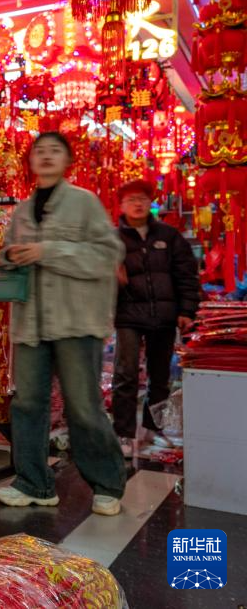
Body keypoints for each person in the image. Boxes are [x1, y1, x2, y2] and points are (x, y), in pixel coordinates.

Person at [0, 132, 128, 517]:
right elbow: (6, 254)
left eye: (55, 151)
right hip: (31, 322)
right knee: (27, 403)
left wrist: (48, 251)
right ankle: (33, 482)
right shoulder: (22, 210)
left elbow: (108, 254)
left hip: (76, 321)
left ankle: (107, 483)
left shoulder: (84, 203)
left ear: (68, 160)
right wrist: (11, 255)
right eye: (39, 151)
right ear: (31, 161)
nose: (46, 156)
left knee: (83, 406)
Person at [113, 179, 200, 456]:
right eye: (131, 199)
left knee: (160, 376)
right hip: (127, 314)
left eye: (142, 198)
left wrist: (186, 311)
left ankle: (154, 429)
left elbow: (186, 274)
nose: (137, 204)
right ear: (121, 205)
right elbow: (97, 278)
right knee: (125, 374)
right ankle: (123, 433)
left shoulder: (169, 235)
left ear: (150, 202)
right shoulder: (112, 239)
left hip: (164, 315)